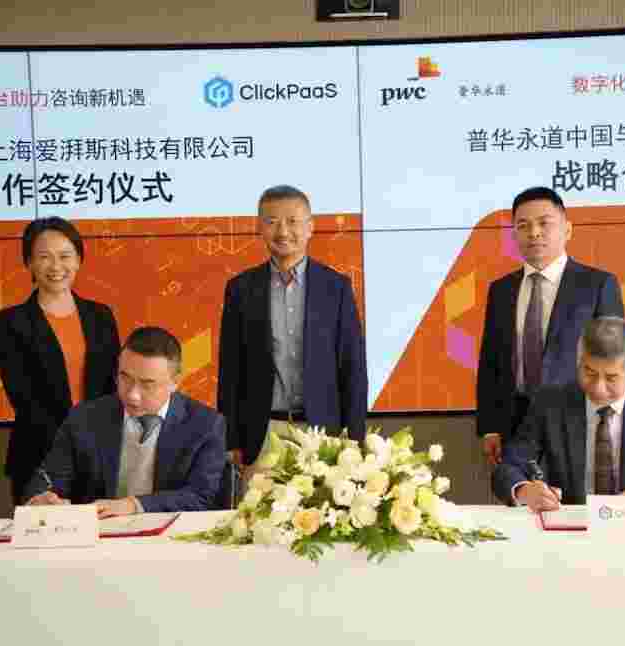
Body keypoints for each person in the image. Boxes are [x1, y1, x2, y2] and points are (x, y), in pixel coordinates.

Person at [218, 185, 368, 480]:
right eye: (272, 221)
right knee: (258, 509)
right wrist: (231, 439)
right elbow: (230, 370)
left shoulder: (335, 288)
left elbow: (353, 367)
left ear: (310, 227)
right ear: (259, 227)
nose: (283, 231)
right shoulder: (241, 289)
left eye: (292, 221)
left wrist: (354, 437)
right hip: (263, 433)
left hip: (322, 434)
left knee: (321, 508)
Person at [493, 317, 625, 511]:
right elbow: (508, 468)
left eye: (611, 378)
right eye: (589, 372)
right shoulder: (550, 402)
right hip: (570, 524)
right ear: (578, 362)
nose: (598, 387)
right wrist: (525, 490)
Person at [477, 186, 625, 465]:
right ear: (514, 235)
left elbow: (614, 358)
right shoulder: (501, 290)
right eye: (523, 225)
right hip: (514, 423)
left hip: (577, 419)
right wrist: (490, 426)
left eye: (544, 223)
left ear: (567, 230)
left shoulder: (597, 285)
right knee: (516, 491)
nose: (534, 233)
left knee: (574, 494)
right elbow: (490, 361)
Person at [24, 326, 225, 517]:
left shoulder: (206, 425)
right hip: (98, 533)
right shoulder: (84, 417)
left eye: (147, 384)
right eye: (125, 378)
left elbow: (201, 497)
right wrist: (42, 497)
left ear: (175, 382)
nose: (132, 395)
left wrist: (133, 505)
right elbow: (48, 477)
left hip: (170, 534)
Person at [0, 216, 121, 506]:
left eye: (65, 256)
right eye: (44, 257)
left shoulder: (101, 316)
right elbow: (24, 398)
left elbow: (114, 385)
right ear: (29, 263)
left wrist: (97, 439)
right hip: (40, 454)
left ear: (78, 260)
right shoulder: (13, 322)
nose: (56, 266)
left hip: (99, 452)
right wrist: (73, 441)